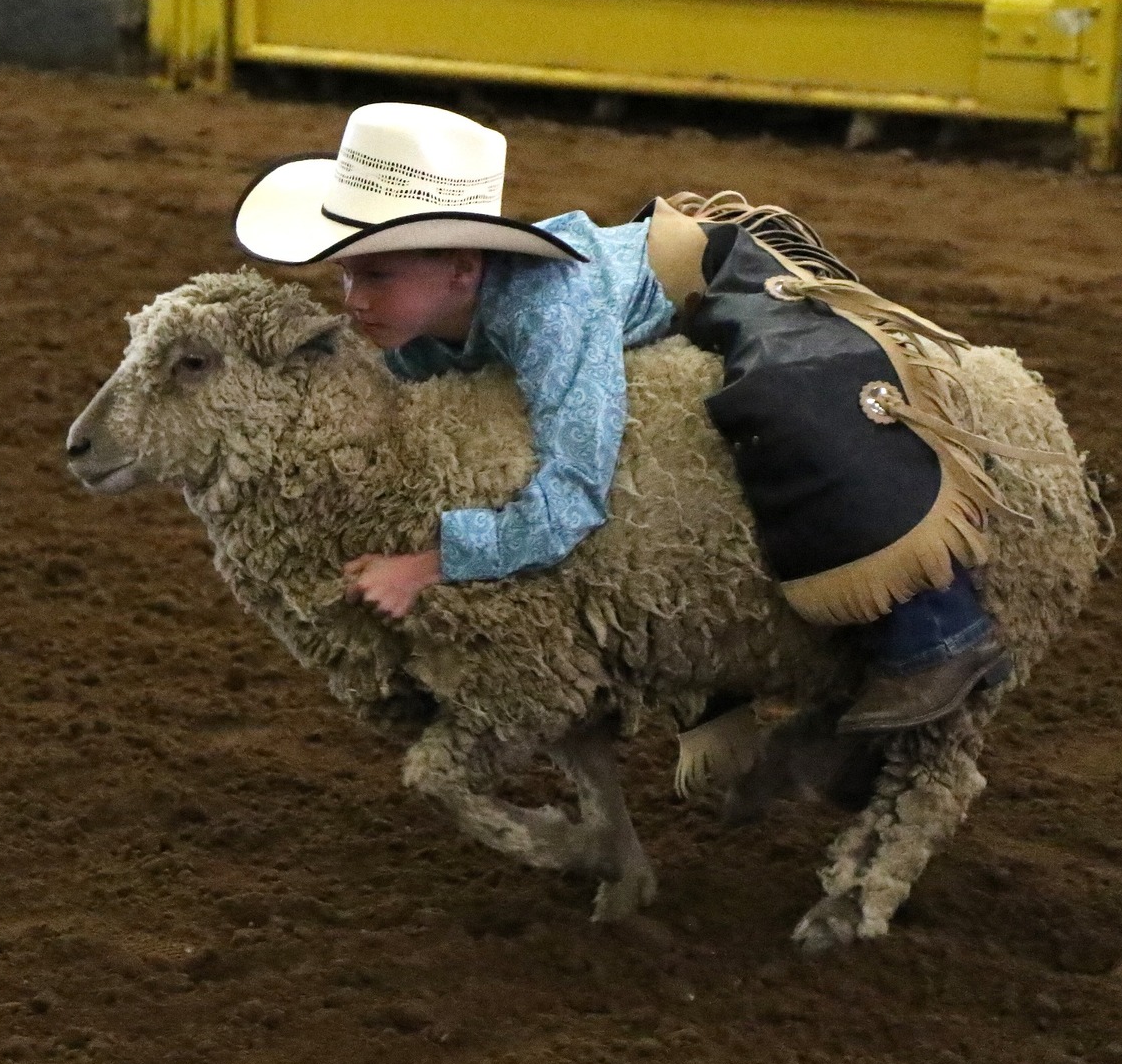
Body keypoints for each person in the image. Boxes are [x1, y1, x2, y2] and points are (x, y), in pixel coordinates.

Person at [230, 102, 1012, 743]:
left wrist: (429, 563)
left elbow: (574, 492)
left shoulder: (546, 311)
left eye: (377, 272)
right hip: (617, 285)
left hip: (717, 274)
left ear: (463, 268)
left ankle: (938, 627)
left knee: (794, 408)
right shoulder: (422, 325)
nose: (352, 298)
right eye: (345, 271)